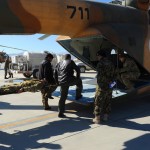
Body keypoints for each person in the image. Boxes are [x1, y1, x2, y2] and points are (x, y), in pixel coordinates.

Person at [93, 50, 115, 124]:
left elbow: (101, 75)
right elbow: (114, 74)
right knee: (108, 100)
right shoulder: (111, 63)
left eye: (98, 56)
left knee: (98, 101)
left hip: (102, 85)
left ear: (100, 56)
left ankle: (97, 118)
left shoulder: (100, 63)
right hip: (110, 85)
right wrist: (111, 82)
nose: (97, 57)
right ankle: (105, 116)